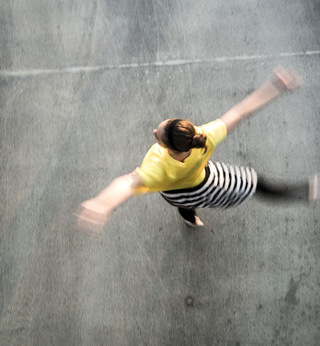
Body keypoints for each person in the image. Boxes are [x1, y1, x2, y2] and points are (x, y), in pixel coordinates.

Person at [75, 66, 319, 237]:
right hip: (204, 182)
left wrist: (103, 204)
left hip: (175, 194)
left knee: (185, 203)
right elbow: (240, 111)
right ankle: (301, 192)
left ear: (167, 146)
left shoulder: (157, 169)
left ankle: (188, 217)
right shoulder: (205, 136)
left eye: (157, 136)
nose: (153, 132)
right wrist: (273, 88)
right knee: (255, 184)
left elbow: (128, 182)